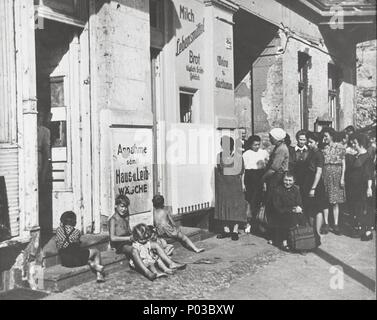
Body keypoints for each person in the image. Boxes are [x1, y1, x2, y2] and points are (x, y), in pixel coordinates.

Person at [109, 195, 186, 281]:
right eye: (122, 207)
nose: (124, 209)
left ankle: (171, 263)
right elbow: (112, 238)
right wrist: (128, 238)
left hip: (130, 239)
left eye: (126, 207)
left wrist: (137, 235)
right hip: (121, 244)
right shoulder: (113, 220)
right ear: (116, 206)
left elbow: (129, 230)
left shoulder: (126, 216)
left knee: (154, 244)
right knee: (134, 250)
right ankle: (147, 272)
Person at [55, 211, 105, 283]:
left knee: (79, 254)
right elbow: (77, 245)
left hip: (65, 261)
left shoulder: (58, 230)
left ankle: (91, 263)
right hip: (76, 260)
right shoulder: (77, 232)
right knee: (95, 252)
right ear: (74, 222)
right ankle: (99, 275)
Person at [215, 135, 248, 241]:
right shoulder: (219, 156)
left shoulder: (238, 157)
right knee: (224, 206)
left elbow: (242, 172)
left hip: (235, 184)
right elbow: (220, 171)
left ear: (232, 147)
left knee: (236, 206)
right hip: (223, 185)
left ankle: (235, 230)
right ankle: (226, 230)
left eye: (228, 147)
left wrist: (243, 184)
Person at [261, 128, 289, 244]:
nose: (270, 139)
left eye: (271, 137)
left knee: (275, 205)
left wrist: (263, 178)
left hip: (277, 178)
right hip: (276, 177)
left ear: (276, 138)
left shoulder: (281, 149)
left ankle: (277, 235)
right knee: (273, 205)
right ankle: (274, 233)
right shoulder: (278, 147)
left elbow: (274, 168)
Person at [345, 134, 375, 241]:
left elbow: (369, 174)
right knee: (357, 208)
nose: (353, 145)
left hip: (364, 187)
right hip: (355, 187)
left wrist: (369, 188)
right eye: (352, 143)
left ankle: (367, 231)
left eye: (355, 143)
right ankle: (359, 227)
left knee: (366, 208)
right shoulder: (356, 155)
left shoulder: (367, 157)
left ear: (361, 144)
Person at [302, 132, 328, 245]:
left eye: (311, 142)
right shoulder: (311, 152)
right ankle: (312, 233)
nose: (309, 143)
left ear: (317, 143)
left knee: (317, 209)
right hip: (308, 181)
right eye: (308, 141)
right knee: (310, 209)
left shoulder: (319, 154)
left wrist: (313, 188)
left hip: (316, 184)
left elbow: (319, 172)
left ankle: (317, 234)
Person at [321, 127, 346, 236]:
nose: (324, 138)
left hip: (337, 174)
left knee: (335, 201)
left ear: (331, 135)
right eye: (323, 136)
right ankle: (326, 223)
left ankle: (335, 224)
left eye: (326, 136)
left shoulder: (340, 147)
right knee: (325, 199)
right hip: (325, 174)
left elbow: (344, 164)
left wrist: (342, 178)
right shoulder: (323, 148)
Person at [272, 172, 306, 251]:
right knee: (288, 218)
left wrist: (299, 208)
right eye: (286, 180)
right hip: (282, 213)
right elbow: (277, 207)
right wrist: (292, 210)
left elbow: (299, 202)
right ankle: (284, 242)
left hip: (294, 211)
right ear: (283, 180)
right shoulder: (278, 190)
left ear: (294, 181)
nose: (287, 183)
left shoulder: (295, 189)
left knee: (303, 218)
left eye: (290, 180)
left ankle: (301, 240)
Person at [242, 135, 269, 233]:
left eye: (258, 144)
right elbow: (244, 170)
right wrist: (243, 183)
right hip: (250, 178)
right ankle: (248, 223)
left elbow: (266, 168)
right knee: (250, 201)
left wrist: (265, 182)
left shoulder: (264, 153)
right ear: (250, 145)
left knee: (260, 201)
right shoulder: (246, 154)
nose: (257, 147)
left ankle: (259, 223)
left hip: (260, 177)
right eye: (255, 145)